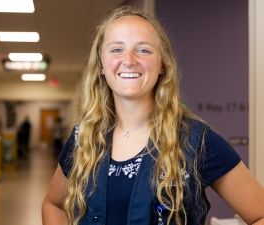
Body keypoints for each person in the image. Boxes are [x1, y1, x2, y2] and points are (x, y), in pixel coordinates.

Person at [42, 6, 264, 225]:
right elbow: (53, 205)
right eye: (116, 49)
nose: (128, 60)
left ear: (162, 66)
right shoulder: (84, 139)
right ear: (101, 65)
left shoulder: (195, 141)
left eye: (143, 50)